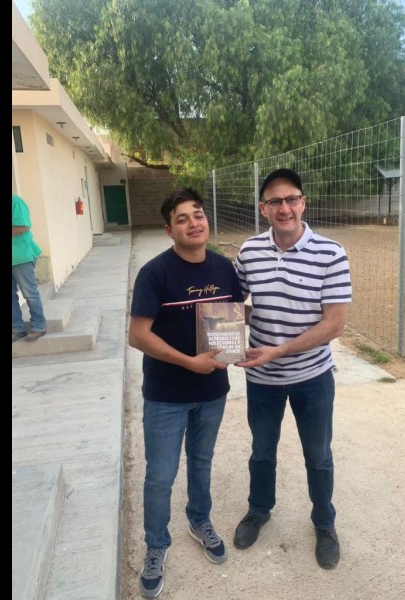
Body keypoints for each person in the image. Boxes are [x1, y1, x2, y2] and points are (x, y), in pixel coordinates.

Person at [233, 168, 352, 570]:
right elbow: (235, 306)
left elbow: (334, 324)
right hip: (261, 379)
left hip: (312, 378)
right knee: (262, 451)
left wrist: (278, 350)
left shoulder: (331, 253)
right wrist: (220, 329)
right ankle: (259, 510)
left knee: (318, 455)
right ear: (262, 208)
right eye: (275, 201)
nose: (284, 208)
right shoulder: (249, 252)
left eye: (291, 199)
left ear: (303, 203)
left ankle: (324, 523)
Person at [128, 187, 244, 598]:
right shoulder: (155, 273)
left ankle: (199, 519)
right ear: (169, 230)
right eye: (182, 218)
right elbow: (138, 335)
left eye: (198, 215)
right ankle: (156, 545)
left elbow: (232, 317)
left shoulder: (224, 268)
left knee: (201, 461)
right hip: (165, 394)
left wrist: (234, 350)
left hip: (212, 389)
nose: (193, 223)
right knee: (160, 475)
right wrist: (188, 361)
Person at [12, 193, 47, 342]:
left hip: (22, 256)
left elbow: (23, 227)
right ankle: (17, 328)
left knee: (29, 293)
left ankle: (39, 326)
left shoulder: (15, 201)